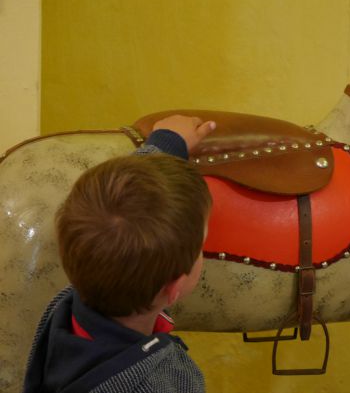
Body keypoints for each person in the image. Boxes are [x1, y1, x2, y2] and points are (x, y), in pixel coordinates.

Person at [23, 115, 217, 393]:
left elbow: (116, 210)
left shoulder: (67, 305)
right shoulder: (167, 383)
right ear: (173, 287)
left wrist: (166, 144)